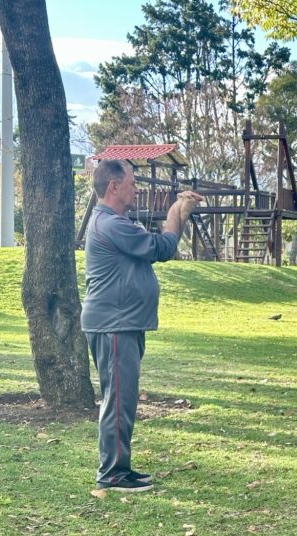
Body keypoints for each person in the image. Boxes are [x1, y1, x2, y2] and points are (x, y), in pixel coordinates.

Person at [81, 159, 203, 493]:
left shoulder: (114, 222)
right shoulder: (111, 224)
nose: (136, 188)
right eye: (132, 183)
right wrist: (179, 211)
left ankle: (120, 467)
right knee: (118, 399)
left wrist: (178, 211)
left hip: (122, 323)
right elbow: (163, 247)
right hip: (113, 325)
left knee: (123, 397)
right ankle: (112, 475)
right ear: (113, 186)